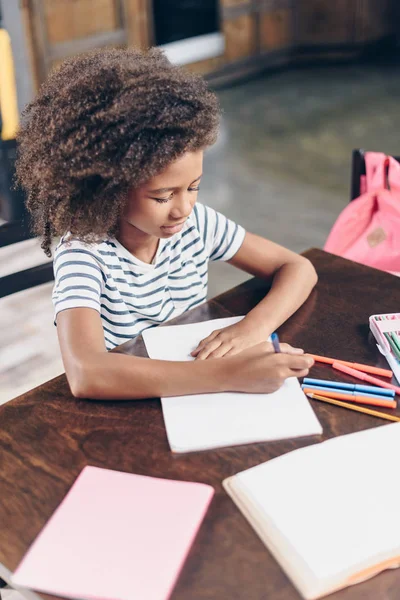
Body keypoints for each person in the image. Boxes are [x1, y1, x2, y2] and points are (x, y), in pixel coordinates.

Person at [16, 47, 317, 400]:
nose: (183, 209)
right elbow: (86, 373)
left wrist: (250, 329)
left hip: (191, 386)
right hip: (133, 400)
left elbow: (297, 268)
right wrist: (225, 374)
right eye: (162, 197)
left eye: (194, 187)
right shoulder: (84, 254)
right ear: (108, 189)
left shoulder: (198, 224)